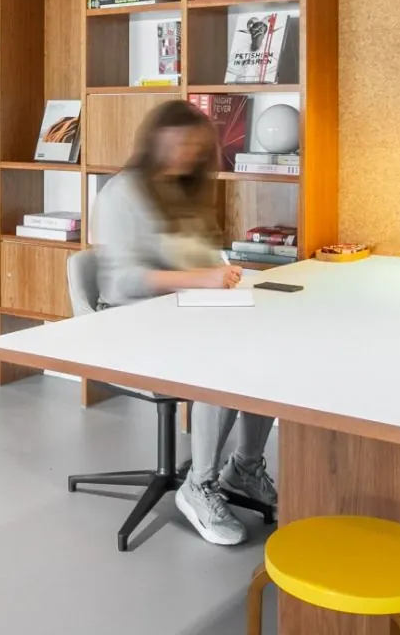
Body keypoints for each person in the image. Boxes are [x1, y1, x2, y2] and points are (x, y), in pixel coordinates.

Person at [93, 99, 275, 546]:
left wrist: (222, 273)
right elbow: (119, 283)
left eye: (195, 148)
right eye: (179, 144)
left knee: (268, 345)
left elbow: (201, 259)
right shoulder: (121, 193)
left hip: (180, 313)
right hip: (126, 322)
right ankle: (200, 484)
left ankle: (245, 468)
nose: (186, 155)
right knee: (220, 360)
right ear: (155, 141)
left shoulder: (182, 190)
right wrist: (199, 279)